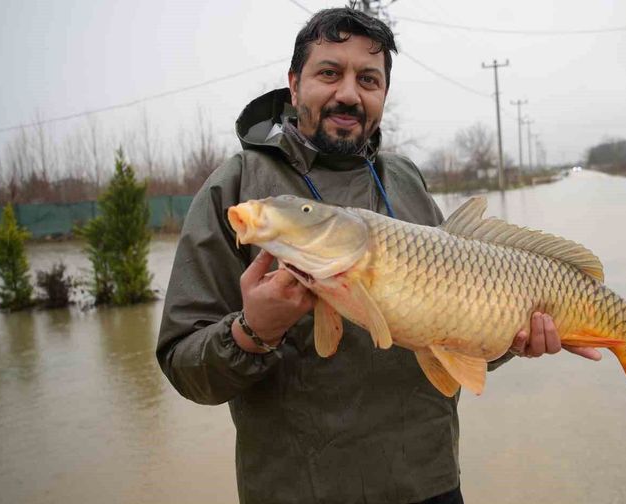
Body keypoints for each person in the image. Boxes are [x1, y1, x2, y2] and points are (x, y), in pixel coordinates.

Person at [157, 7, 600, 504]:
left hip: (430, 485)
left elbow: (457, 335)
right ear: (294, 83)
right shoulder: (238, 190)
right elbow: (183, 366)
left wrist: (511, 340)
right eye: (329, 73)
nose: (349, 93)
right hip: (295, 492)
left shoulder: (406, 180)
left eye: (369, 79)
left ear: (383, 95)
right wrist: (252, 332)